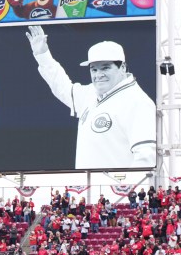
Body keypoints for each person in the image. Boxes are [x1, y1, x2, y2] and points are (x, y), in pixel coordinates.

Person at [26, 26, 155, 170]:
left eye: (105, 68)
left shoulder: (137, 102)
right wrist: (43, 55)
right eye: (94, 69)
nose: (98, 74)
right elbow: (62, 86)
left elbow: (146, 157)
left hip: (118, 190)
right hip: (88, 188)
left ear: (123, 67)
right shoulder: (90, 94)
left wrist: (128, 191)